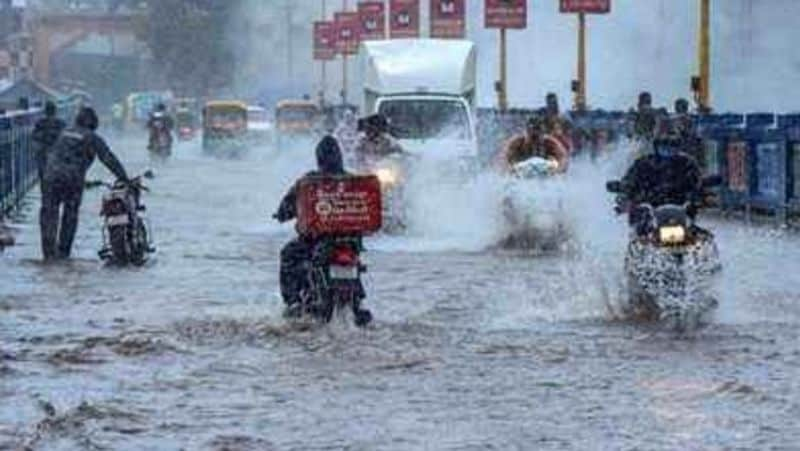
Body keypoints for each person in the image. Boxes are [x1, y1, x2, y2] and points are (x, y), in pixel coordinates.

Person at [273, 136, 372, 323]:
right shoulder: (354, 182)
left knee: (288, 254)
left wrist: (281, 215)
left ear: (319, 158)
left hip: (318, 241)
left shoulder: (309, 181)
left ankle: (293, 302)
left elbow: (287, 208)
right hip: (350, 241)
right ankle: (357, 303)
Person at [39, 107, 129, 261]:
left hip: (50, 177)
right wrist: (124, 178)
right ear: (94, 123)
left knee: (49, 214)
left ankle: (48, 256)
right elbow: (108, 159)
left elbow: (45, 151)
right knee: (70, 215)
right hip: (72, 180)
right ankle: (63, 254)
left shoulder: (64, 132)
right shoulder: (91, 137)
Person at [619, 136, 703, 229]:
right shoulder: (643, 163)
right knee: (641, 231)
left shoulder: (687, 163)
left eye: (672, 146)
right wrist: (626, 194)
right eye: (664, 146)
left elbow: (697, 183)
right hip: (649, 208)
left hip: (680, 207)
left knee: (699, 235)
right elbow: (629, 181)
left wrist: (700, 196)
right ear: (656, 147)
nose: (668, 149)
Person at [498, 116, 568, 173]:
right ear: (526, 132)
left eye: (538, 133)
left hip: (545, 169)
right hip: (520, 170)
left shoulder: (550, 143)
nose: (535, 138)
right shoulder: (516, 143)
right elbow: (502, 159)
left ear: (543, 133)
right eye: (532, 134)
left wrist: (557, 170)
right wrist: (510, 170)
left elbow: (563, 159)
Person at [32, 101, 66, 184]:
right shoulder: (60, 123)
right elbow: (65, 137)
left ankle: (45, 192)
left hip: (43, 151)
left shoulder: (40, 122)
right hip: (56, 152)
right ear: (55, 111)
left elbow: (34, 136)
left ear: (45, 111)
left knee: (43, 174)